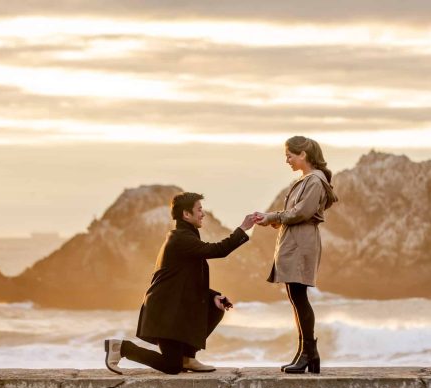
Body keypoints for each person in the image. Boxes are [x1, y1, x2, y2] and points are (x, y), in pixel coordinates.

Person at [104, 192, 255, 374]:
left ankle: (188, 358)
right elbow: (218, 250)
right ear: (186, 214)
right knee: (171, 366)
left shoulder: (186, 236)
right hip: (165, 313)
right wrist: (243, 229)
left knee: (216, 307)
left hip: (174, 311)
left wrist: (213, 295)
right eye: (199, 209)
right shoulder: (181, 238)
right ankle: (121, 348)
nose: (203, 214)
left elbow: (184, 281)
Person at [254, 136, 338, 374]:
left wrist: (273, 217)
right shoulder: (307, 180)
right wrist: (271, 218)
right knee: (296, 297)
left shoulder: (314, 181)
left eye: (290, 155)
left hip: (301, 241)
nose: (287, 160)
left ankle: (308, 353)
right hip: (296, 239)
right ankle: (306, 353)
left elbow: (301, 212)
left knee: (299, 297)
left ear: (303, 155)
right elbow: (295, 213)